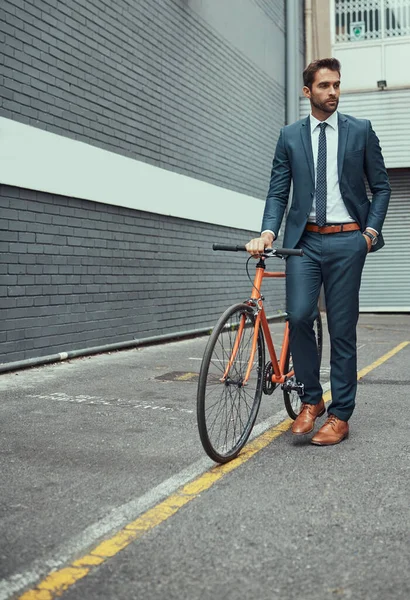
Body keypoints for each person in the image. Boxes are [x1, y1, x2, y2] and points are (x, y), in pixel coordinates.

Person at [246, 58, 390, 446]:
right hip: (303, 243)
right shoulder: (289, 136)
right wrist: (267, 231)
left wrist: (369, 234)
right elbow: (278, 191)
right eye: (324, 86)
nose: (333, 92)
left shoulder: (360, 130)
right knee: (298, 316)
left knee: (342, 329)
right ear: (307, 92)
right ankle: (312, 401)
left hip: (347, 242)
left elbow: (382, 186)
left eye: (337, 85)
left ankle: (341, 415)